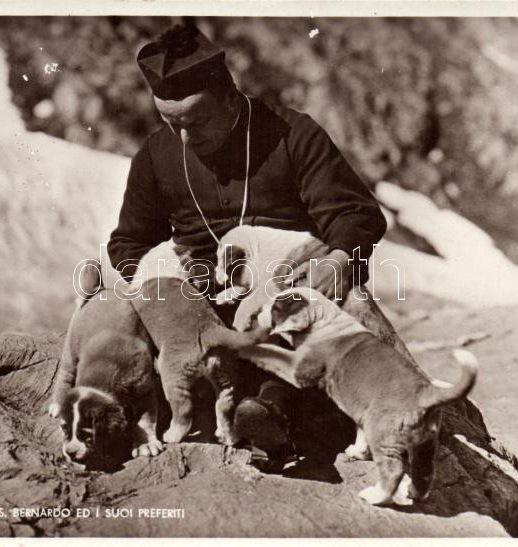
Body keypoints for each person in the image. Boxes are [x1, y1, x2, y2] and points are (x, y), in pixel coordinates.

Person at [108, 23, 387, 471]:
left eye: (194, 122)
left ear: (229, 97)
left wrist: (336, 262)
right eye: (169, 122)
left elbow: (356, 216)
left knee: (325, 303)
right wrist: (169, 288)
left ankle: (271, 414)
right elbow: (128, 242)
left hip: (291, 283)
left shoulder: (293, 135)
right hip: (201, 297)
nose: (182, 137)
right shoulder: (157, 155)